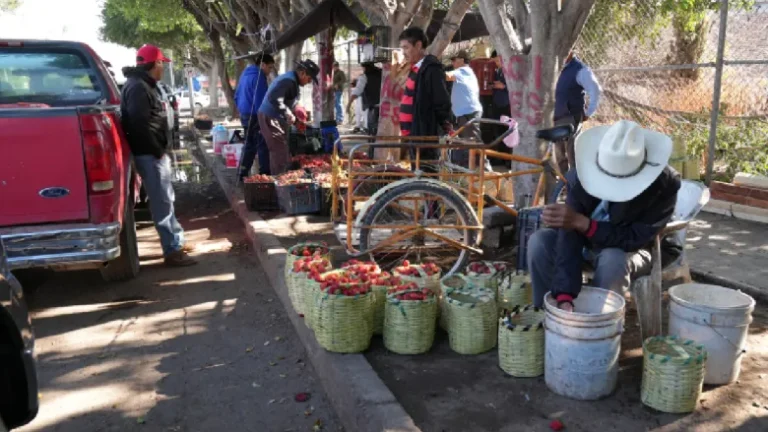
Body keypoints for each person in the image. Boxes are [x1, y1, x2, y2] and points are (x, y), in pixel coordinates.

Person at [527, 120, 680, 312]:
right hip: (588, 244)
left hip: (637, 250)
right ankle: (549, 313)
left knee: (612, 258)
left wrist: (585, 225)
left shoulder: (663, 186)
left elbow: (634, 238)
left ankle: (599, 321)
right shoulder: (581, 175)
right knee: (540, 241)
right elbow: (570, 232)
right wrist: (564, 294)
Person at [120, 44, 196, 267]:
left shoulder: (143, 84)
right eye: (162, 63)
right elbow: (138, 124)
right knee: (162, 202)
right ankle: (172, 250)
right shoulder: (137, 87)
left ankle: (176, 241)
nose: (163, 68)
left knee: (166, 198)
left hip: (153, 153)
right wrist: (156, 151)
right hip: (149, 154)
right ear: (157, 63)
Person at [398, 27, 452, 165]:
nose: (403, 52)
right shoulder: (415, 68)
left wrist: (443, 125)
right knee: (417, 174)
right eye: (402, 48)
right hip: (413, 136)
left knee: (426, 176)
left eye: (406, 47)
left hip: (424, 135)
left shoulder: (432, 69)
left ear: (418, 45)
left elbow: (441, 101)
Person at [258, 59, 319, 175]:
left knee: (282, 148)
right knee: (279, 150)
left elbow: (287, 100)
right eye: (309, 78)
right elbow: (275, 98)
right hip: (270, 117)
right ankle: (280, 182)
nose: (309, 82)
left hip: (276, 117)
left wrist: (296, 114)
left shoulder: (292, 81)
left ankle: (283, 176)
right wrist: (288, 112)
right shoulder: (289, 81)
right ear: (302, 73)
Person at [554, 50, 602, 175]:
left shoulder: (581, 70)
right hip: (556, 117)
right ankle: (565, 184)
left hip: (571, 117)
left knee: (572, 153)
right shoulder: (555, 66)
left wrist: (588, 112)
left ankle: (576, 184)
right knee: (559, 154)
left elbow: (595, 91)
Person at [234, 53, 275, 180]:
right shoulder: (259, 77)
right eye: (269, 67)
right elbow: (261, 101)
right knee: (262, 143)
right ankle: (265, 175)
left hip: (244, 114)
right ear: (262, 65)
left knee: (249, 144)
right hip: (255, 115)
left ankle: (242, 172)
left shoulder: (245, 74)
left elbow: (236, 96)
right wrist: (267, 119)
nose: (270, 71)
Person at [445, 50, 484, 168]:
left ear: (462, 60)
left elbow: (447, 76)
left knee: (474, 143)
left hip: (469, 113)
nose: (452, 62)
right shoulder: (465, 72)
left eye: (454, 60)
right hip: (464, 113)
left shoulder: (463, 71)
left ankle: (485, 170)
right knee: (466, 144)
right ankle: (472, 170)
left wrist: (434, 69)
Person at [347, 62, 382, 136]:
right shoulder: (382, 73)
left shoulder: (364, 77)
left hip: (372, 106)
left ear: (365, 68)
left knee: (372, 130)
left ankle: (372, 146)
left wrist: (349, 104)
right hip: (384, 106)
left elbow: (357, 91)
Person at [490, 50, 511, 146]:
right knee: (498, 129)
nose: (497, 63)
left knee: (506, 131)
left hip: (506, 105)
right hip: (496, 104)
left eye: (498, 61)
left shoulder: (509, 71)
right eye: (495, 61)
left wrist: (504, 87)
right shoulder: (497, 72)